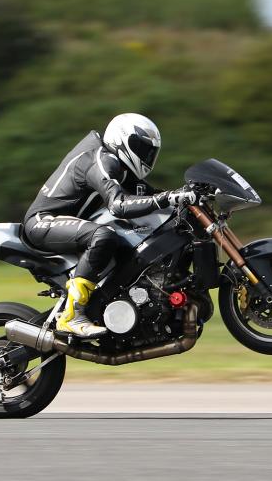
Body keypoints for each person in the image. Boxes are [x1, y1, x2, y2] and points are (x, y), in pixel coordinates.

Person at [23, 113, 196, 338]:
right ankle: (71, 315)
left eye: (150, 151)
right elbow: (118, 205)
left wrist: (183, 195)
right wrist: (167, 198)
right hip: (43, 221)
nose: (146, 155)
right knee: (103, 236)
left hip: (70, 224)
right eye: (141, 148)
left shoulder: (123, 170)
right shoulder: (100, 160)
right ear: (121, 140)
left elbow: (150, 195)